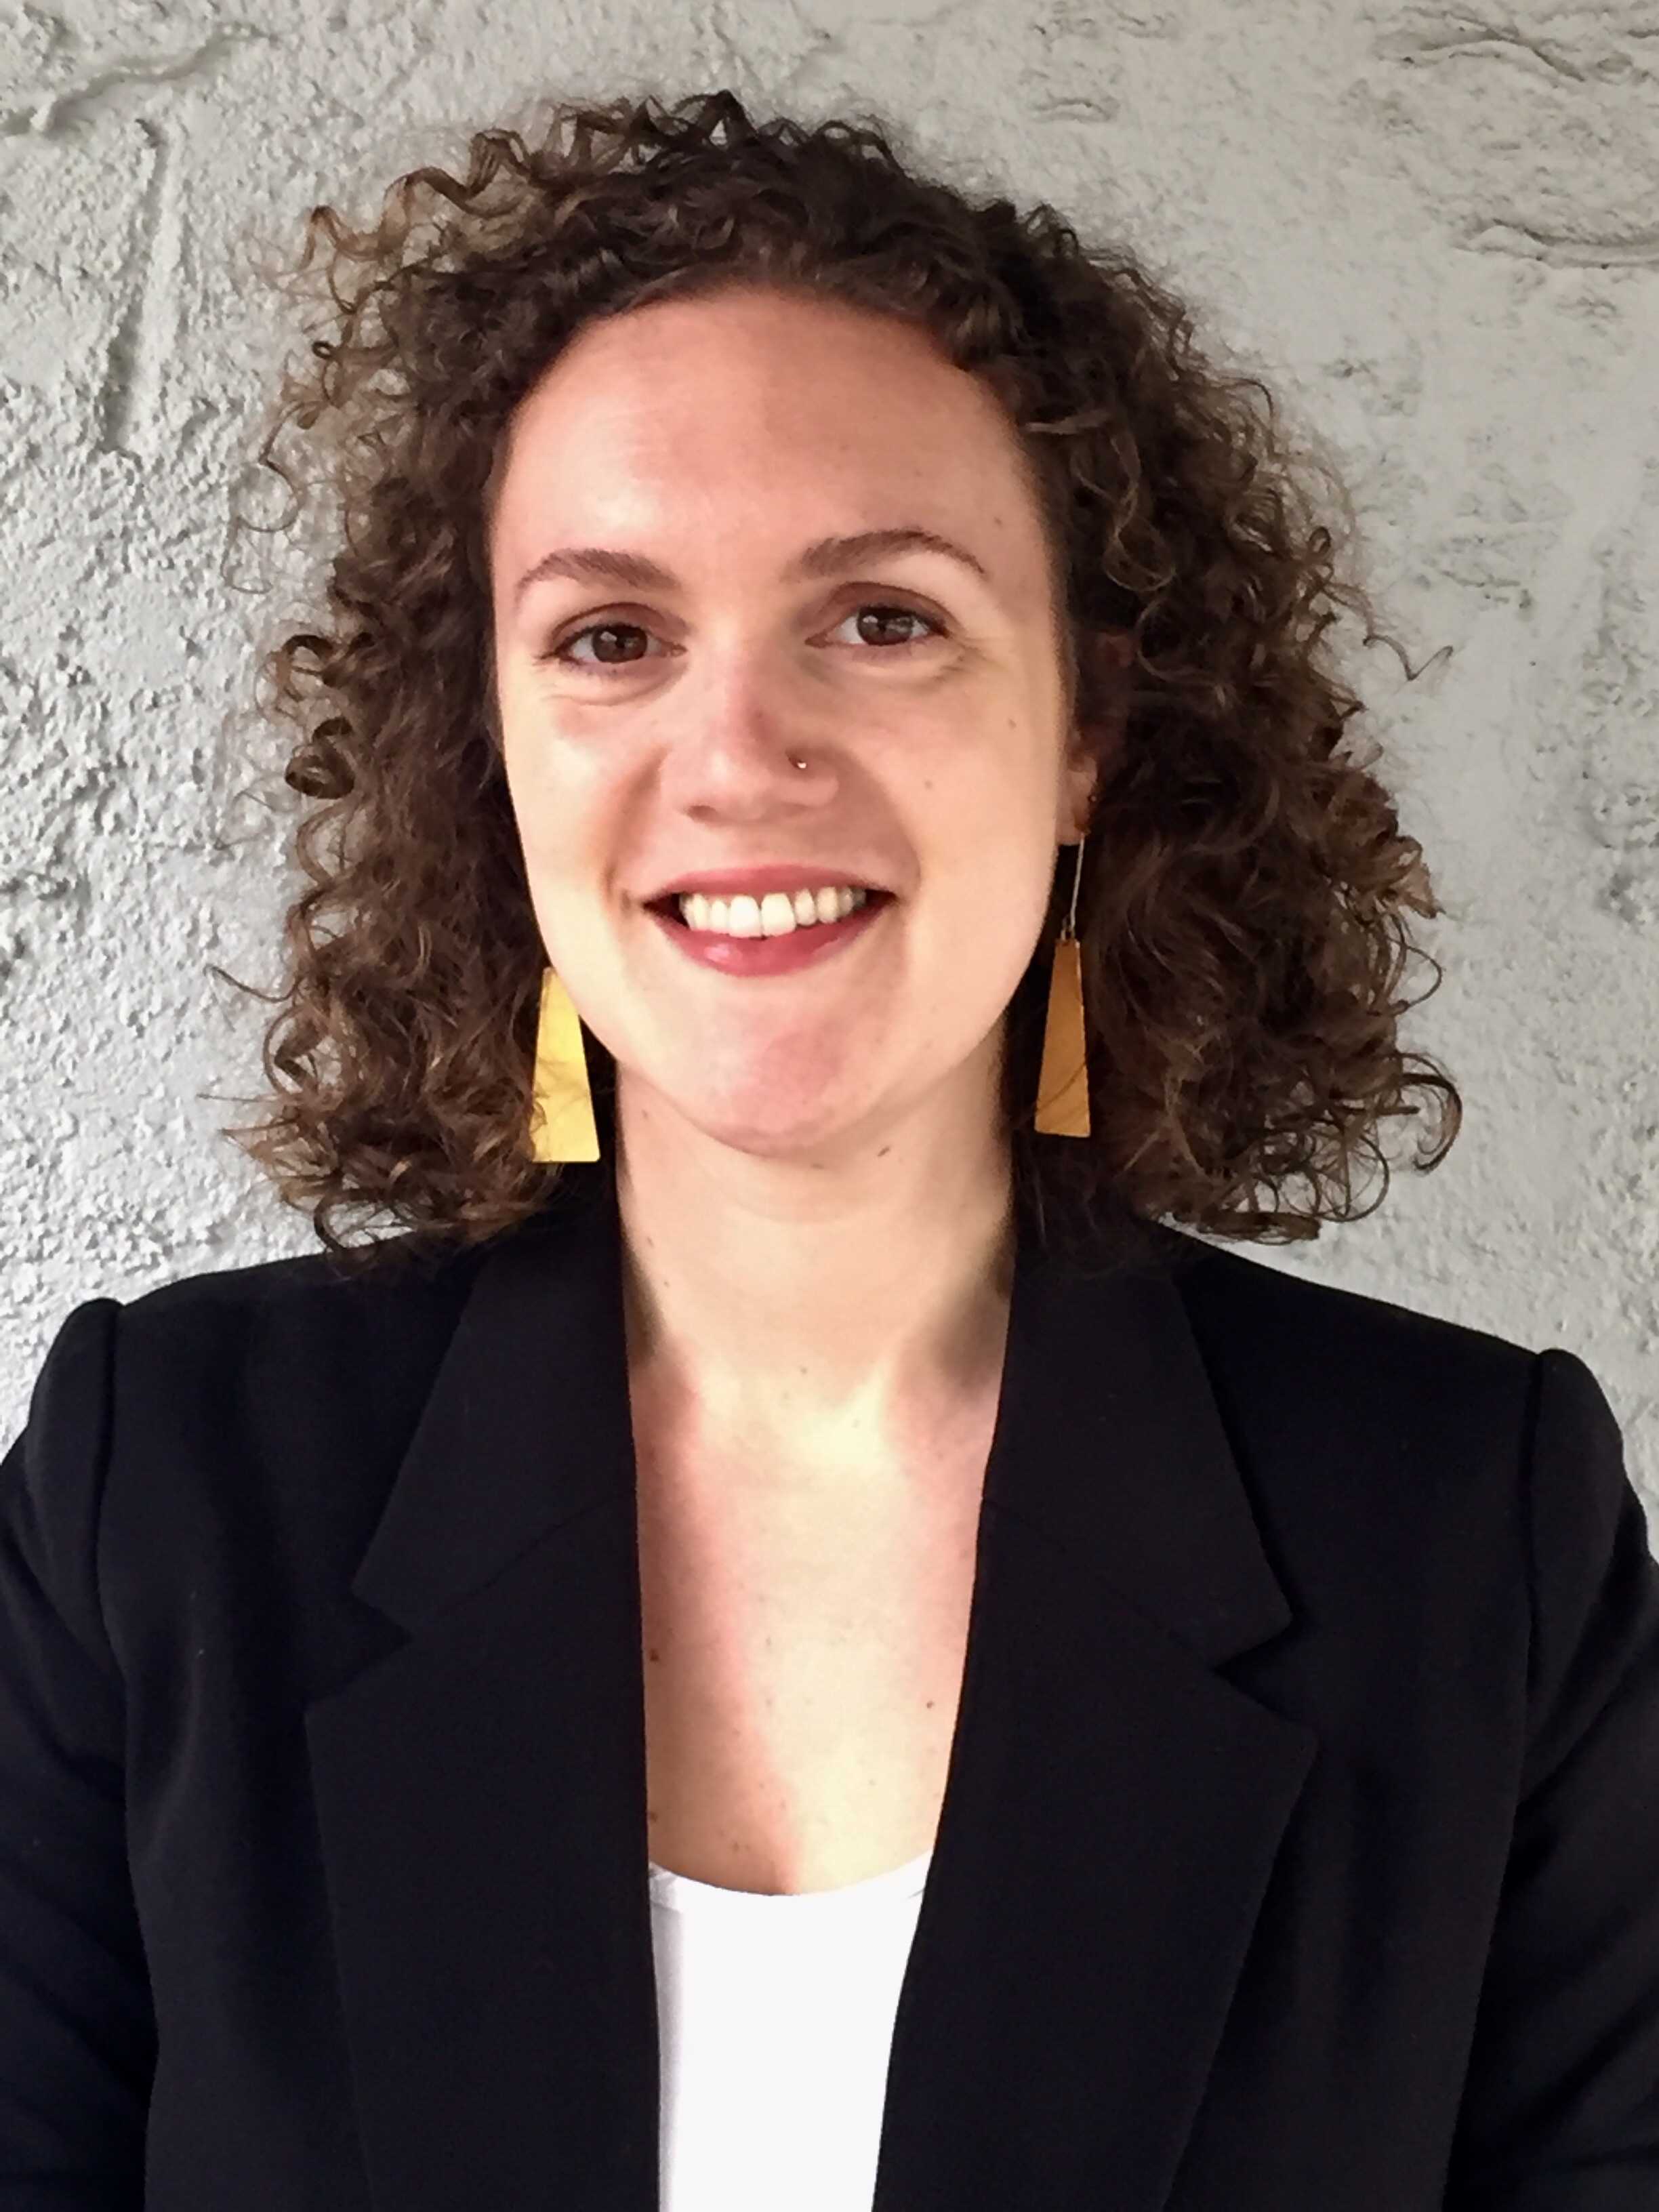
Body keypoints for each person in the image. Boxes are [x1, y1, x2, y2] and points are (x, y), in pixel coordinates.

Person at [1, 86, 1655, 2212]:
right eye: (611, 638)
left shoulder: (1470, 1536)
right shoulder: (161, 1494)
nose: (737, 756)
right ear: (489, 743)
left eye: (882, 617)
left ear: (1087, 734)